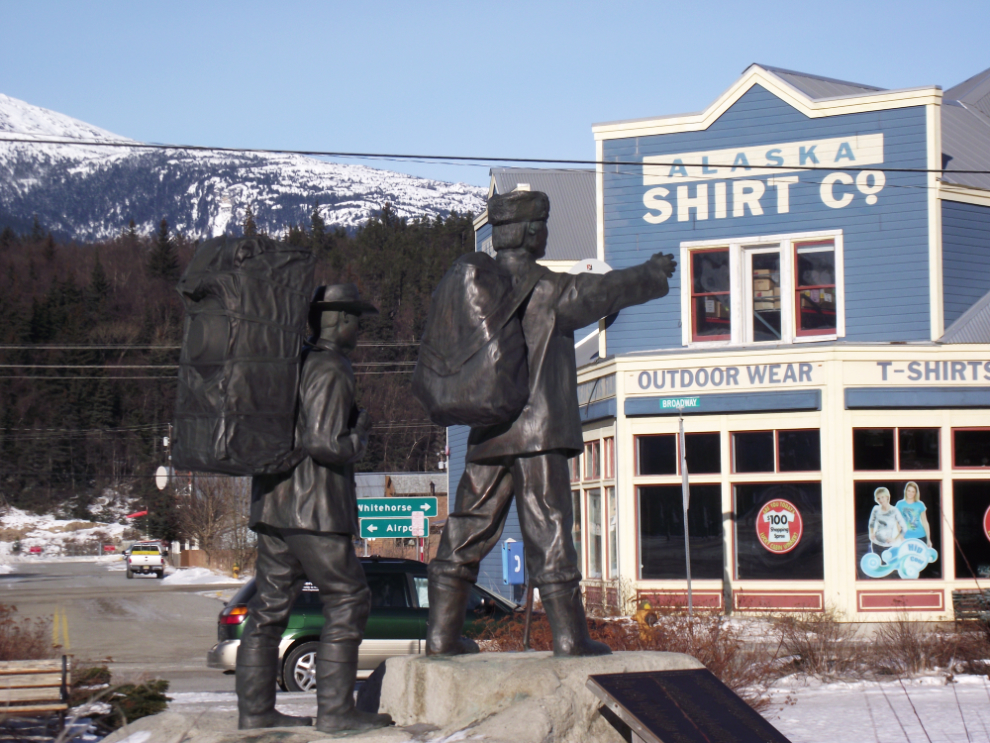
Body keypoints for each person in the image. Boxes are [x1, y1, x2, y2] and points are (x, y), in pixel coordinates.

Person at [427, 190, 677, 657]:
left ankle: (440, 637)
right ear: (529, 232)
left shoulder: (476, 291)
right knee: (550, 526)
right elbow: (603, 292)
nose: (544, 234)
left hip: (488, 431)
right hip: (537, 433)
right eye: (540, 226)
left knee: (465, 526)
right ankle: (569, 637)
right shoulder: (548, 289)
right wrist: (650, 274)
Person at [237, 284, 392, 733]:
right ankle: (336, 712)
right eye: (357, 322)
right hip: (315, 509)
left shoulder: (290, 364)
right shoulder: (331, 367)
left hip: (273, 505)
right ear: (341, 321)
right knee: (348, 598)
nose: (359, 331)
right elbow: (325, 443)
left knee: (268, 609)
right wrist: (359, 435)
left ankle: (254, 711)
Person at [868, 486, 907, 552]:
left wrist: (895, 539)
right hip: (875, 544)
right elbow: (871, 523)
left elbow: (904, 528)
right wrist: (871, 533)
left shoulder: (894, 511)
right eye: (878, 498)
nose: (880, 500)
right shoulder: (875, 509)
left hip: (888, 546)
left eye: (882, 497)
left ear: (887, 497)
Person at [895, 481, 932, 547]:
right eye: (909, 491)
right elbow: (897, 522)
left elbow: (925, 522)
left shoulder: (920, 504)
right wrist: (901, 537)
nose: (910, 493)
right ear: (905, 491)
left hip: (920, 536)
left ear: (915, 493)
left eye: (913, 491)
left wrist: (928, 539)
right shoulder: (900, 504)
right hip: (906, 537)